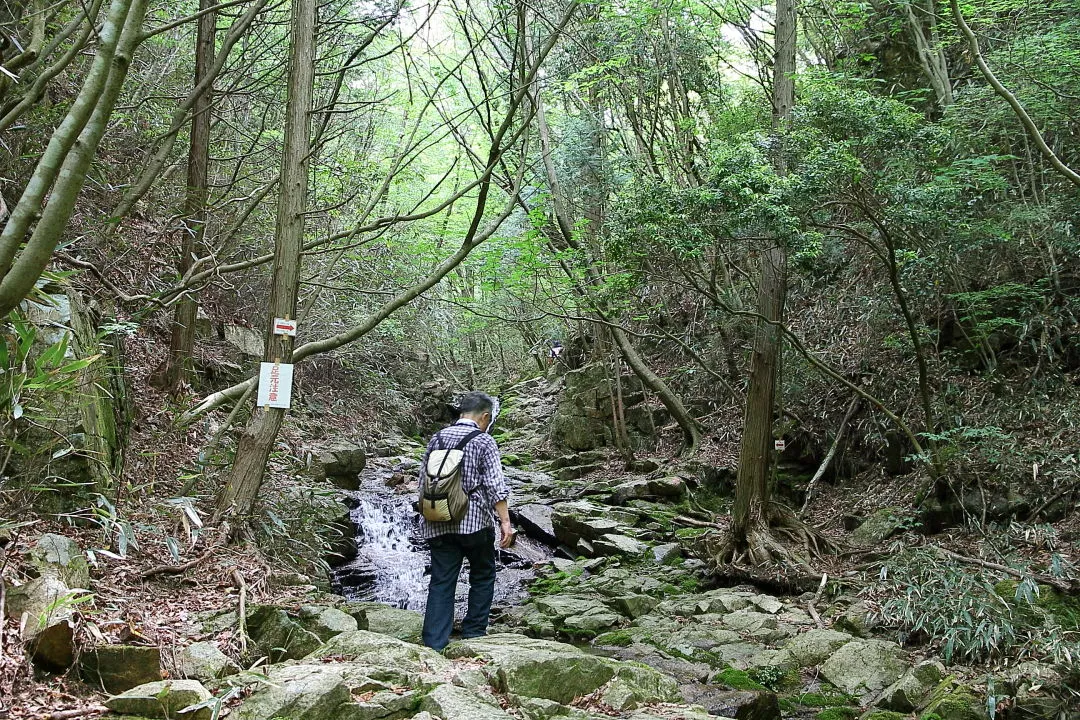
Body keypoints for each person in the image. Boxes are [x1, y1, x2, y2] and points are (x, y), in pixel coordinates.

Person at [419, 391, 513, 650]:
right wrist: (505, 522)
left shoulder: (436, 438)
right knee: (482, 574)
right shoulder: (484, 441)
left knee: (441, 580)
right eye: (489, 419)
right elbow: (495, 486)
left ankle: (434, 644)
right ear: (484, 416)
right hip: (473, 522)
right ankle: (473, 635)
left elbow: (422, 482)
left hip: (438, 521)